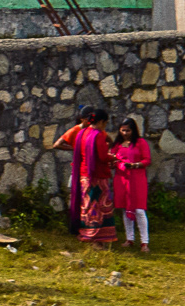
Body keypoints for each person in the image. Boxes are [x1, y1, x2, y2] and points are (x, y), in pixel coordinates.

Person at [47, 104, 92, 235]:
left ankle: (86, 226)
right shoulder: (75, 130)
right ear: (82, 119)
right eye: (88, 119)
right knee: (76, 198)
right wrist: (75, 148)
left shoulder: (92, 131)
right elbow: (57, 144)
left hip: (88, 168)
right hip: (78, 168)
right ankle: (75, 227)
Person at [76, 109, 118, 246]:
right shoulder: (98, 135)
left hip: (85, 175)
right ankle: (98, 238)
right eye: (105, 123)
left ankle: (86, 233)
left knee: (87, 205)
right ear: (100, 122)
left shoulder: (83, 133)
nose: (104, 126)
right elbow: (102, 156)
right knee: (100, 206)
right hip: (98, 176)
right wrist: (114, 157)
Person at [112, 117, 154, 253]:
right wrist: (118, 163)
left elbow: (147, 160)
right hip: (122, 179)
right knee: (125, 208)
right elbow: (112, 158)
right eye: (122, 130)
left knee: (139, 210)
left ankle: (144, 242)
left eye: (128, 130)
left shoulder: (141, 143)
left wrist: (134, 165)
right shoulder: (117, 144)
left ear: (133, 130)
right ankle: (129, 238)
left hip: (137, 179)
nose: (125, 133)